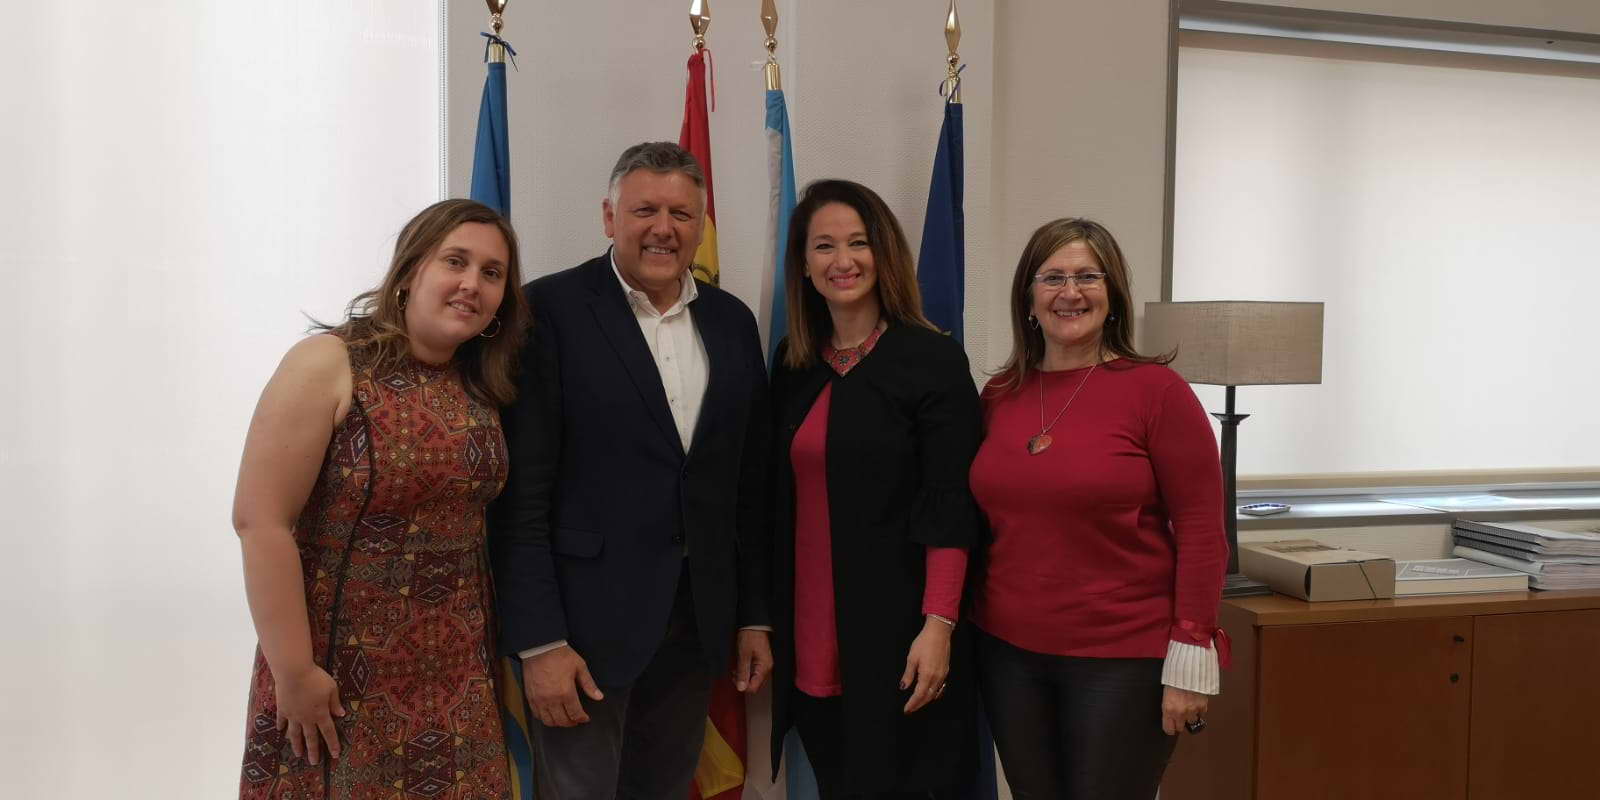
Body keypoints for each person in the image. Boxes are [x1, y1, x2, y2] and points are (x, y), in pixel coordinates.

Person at [491, 142, 773, 799]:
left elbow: (749, 488)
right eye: (645, 209)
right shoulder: (548, 313)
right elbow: (521, 495)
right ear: (609, 216)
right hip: (581, 637)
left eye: (681, 213)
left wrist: (754, 614)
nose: (663, 227)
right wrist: (539, 643)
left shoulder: (732, 324)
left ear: (701, 225)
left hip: (696, 628)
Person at [233, 199, 529, 799]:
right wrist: (294, 672)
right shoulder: (329, 363)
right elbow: (261, 521)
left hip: (457, 683)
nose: (472, 284)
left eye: (492, 273)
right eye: (456, 262)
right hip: (334, 678)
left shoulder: (479, 383)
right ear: (411, 269)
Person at [967, 217, 1229, 799]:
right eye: (1053, 277)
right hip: (1009, 654)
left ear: (1112, 297)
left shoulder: (1157, 392)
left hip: (1122, 660)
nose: (1070, 292)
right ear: (1028, 298)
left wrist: (1192, 651)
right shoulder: (1000, 395)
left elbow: (1203, 533)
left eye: (1088, 276)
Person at [768, 179, 983, 799]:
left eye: (858, 243)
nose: (843, 261)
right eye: (824, 246)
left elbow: (950, 503)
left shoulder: (931, 360)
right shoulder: (792, 365)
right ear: (804, 266)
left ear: (883, 254)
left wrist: (938, 625)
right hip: (810, 636)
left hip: (906, 640)